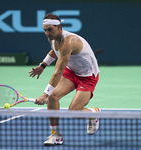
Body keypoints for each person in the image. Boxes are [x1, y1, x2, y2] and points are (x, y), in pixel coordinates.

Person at [29, 13, 100, 146]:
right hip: (72, 71)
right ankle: (55, 135)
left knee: (74, 112)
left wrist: (45, 94)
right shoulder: (53, 38)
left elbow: (58, 72)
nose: (47, 33)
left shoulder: (69, 42)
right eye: (44, 30)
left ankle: (93, 113)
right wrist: (42, 65)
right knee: (53, 97)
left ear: (59, 27)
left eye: (49, 29)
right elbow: (54, 51)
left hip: (87, 77)